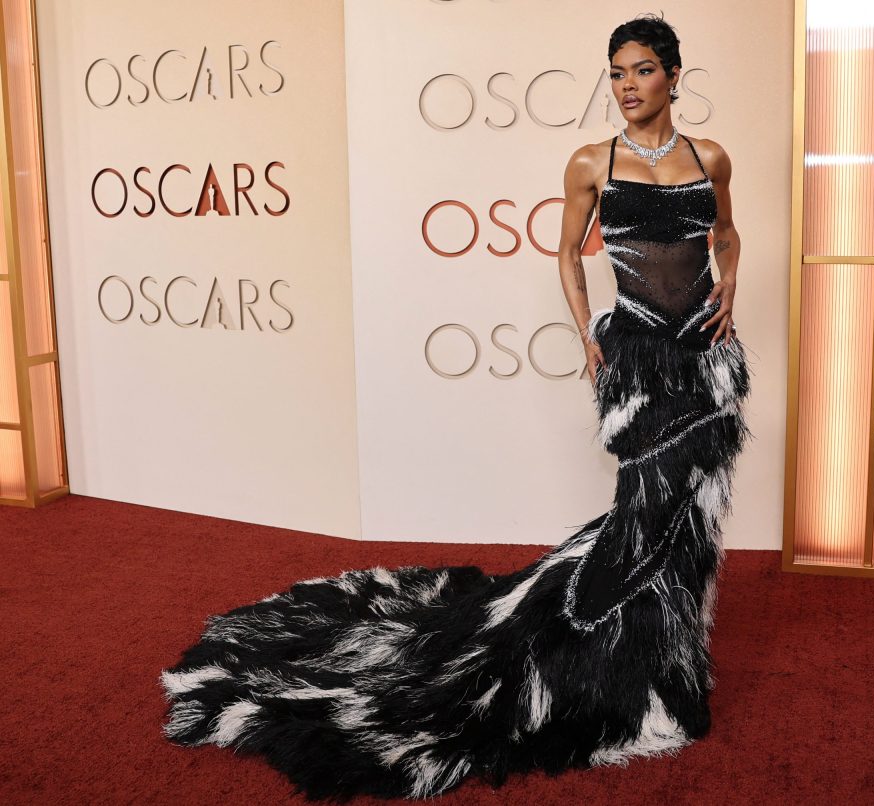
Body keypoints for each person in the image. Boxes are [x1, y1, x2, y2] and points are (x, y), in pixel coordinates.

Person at [159, 13, 752, 803]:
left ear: (674, 76)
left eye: (641, 71)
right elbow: (567, 254)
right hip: (640, 360)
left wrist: (729, 285)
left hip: (705, 363)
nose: (626, 87)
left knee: (693, 516)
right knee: (644, 513)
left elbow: (727, 233)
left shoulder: (709, 156)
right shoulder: (592, 162)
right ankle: (616, 666)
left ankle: (673, 657)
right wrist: (588, 334)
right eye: (615, 73)